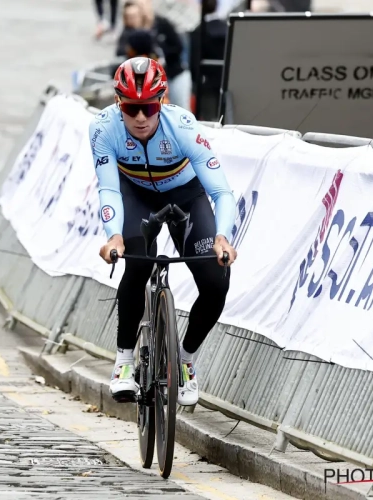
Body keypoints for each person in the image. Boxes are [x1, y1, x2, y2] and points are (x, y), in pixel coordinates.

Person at [89, 57, 238, 406]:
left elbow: (221, 192)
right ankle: (124, 360)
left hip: (186, 196)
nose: (140, 117)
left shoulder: (183, 127)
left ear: (163, 101)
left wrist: (222, 237)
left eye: (149, 107)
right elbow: (109, 189)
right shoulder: (103, 128)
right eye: (131, 108)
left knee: (216, 282)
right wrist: (114, 235)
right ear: (117, 103)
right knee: (137, 263)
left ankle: (185, 360)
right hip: (136, 196)